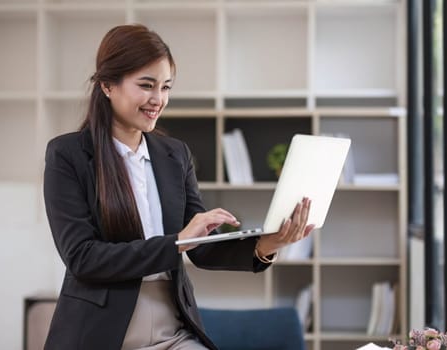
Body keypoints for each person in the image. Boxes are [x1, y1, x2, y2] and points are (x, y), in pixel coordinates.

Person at [43, 24, 314, 350]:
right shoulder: (68, 155)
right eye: (146, 85)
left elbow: (199, 246)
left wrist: (267, 244)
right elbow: (83, 257)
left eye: (166, 87)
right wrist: (176, 243)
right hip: (103, 333)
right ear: (107, 85)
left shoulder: (174, 154)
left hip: (172, 328)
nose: (158, 99)